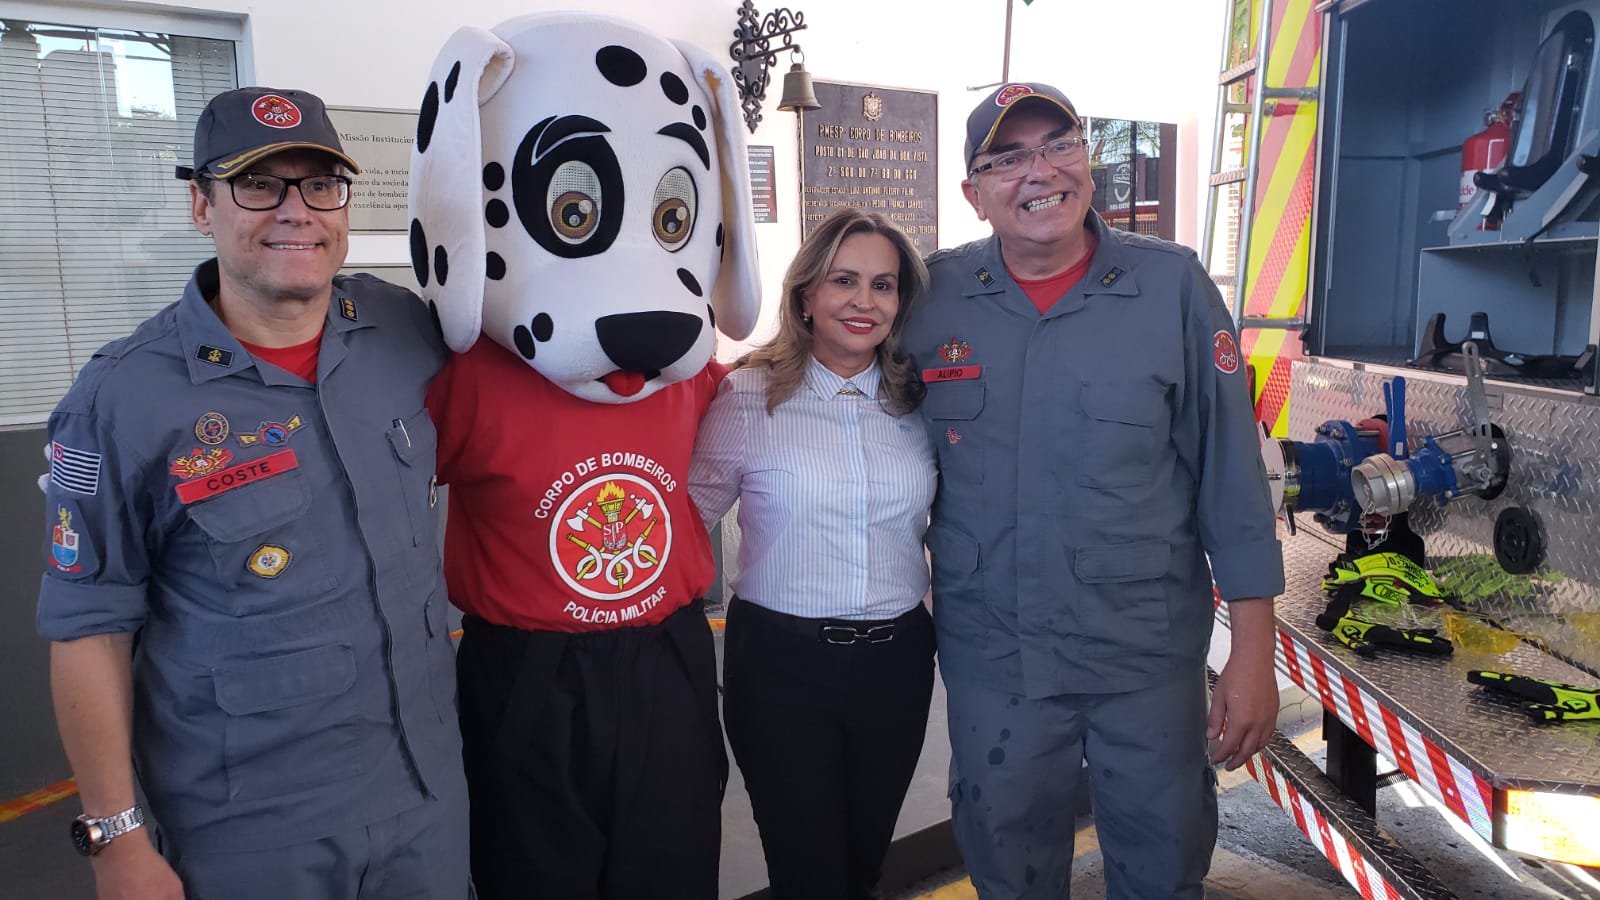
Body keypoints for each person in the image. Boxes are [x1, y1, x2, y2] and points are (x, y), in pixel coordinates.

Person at [37, 86, 468, 899]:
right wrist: (115, 842)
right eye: (259, 185)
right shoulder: (122, 399)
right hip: (249, 836)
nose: (296, 211)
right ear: (202, 205)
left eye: (320, 184)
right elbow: (88, 628)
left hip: (427, 803)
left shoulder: (405, 332)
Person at [901, 82, 1285, 899]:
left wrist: (1254, 656)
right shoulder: (931, 302)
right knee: (1008, 873)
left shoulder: (1173, 289)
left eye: (1059, 145)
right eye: (1008, 158)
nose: (1039, 171)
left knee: (1162, 871)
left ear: (1087, 159)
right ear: (974, 193)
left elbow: (1232, 479)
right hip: (996, 660)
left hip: (1143, 659)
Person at [689, 208, 936, 900]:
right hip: (781, 667)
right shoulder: (747, 395)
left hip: (897, 664)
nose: (865, 302)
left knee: (864, 862)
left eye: (883, 285)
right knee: (806, 872)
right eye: (843, 280)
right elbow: (687, 520)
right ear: (805, 296)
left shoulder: (920, 402)